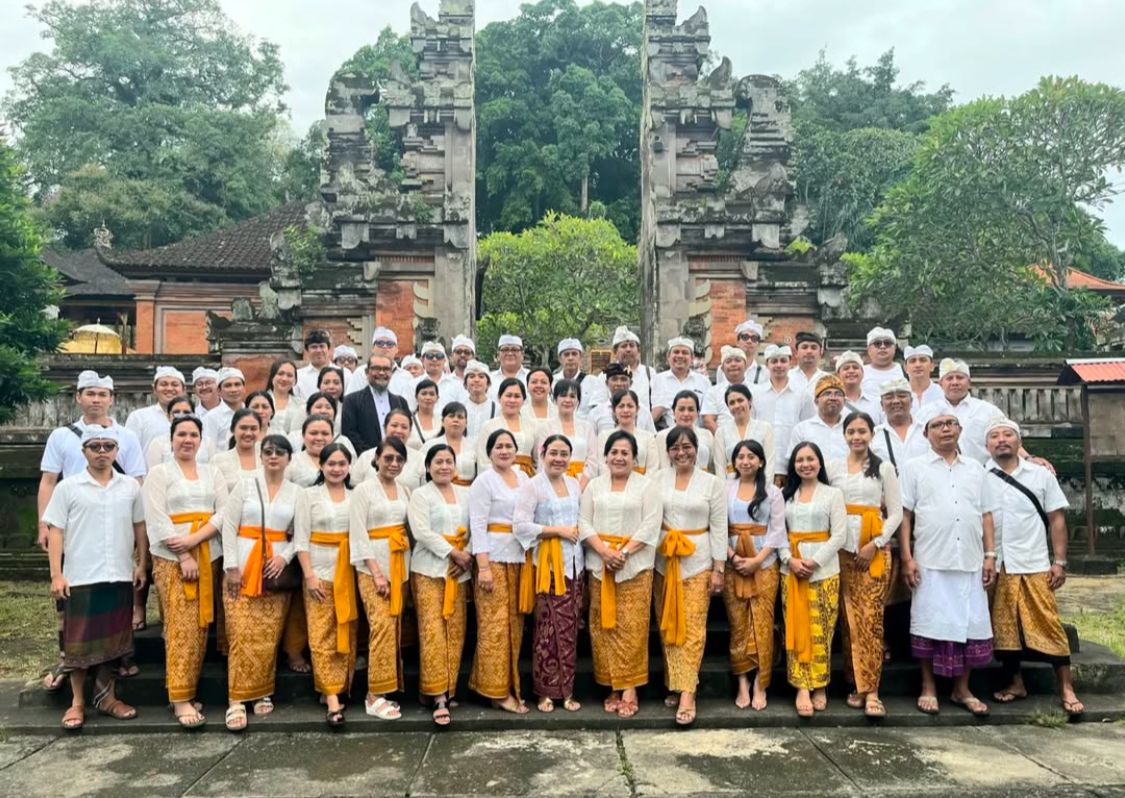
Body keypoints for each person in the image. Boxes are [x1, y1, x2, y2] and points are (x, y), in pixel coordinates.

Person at [38, 370, 147, 690]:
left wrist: (140, 552)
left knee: (115, 593)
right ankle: (67, 660)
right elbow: (47, 481)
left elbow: (137, 480)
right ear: (78, 397)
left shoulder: (126, 436)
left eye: (102, 394)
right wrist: (44, 524)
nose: (96, 400)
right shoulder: (61, 436)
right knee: (73, 594)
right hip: (73, 519)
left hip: (115, 519)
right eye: (90, 393)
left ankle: (118, 658)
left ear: (112, 399)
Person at [43, 426, 147, 731]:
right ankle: (77, 702)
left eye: (108, 446)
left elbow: (140, 526)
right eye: (95, 446)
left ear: (117, 451)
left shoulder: (130, 487)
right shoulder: (69, 487)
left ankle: (107, 698)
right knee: (79, 645)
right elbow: (55, 530)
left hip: (117, 575)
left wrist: (141, 565)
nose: (102, 451)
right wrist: (56, 574)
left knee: (113, 643)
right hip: (80, 577)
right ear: (84, 451)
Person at [900, 411, 997, 717]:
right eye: (938, 425)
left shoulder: (976, 469)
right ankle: (928, 687)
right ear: (927, 434)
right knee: (929, 623)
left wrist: (990, 556)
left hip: (969, 559)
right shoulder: (915, 468)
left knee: (971, 624)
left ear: (960, 430)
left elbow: (986, 514)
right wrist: (907, 557)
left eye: (950, 424)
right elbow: (904, 515)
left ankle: (962, 688)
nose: (945, 429)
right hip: (930, 560)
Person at [984, 419, 1082, 716]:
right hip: (998, 563)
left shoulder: (1041, 475)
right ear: (987, 445)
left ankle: (1066, 686)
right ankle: (1015, 682)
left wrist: (1060, 562)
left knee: (1048, 624)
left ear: (1019, 441)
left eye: (1008, 435)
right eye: (994, 436)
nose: (1001, 440)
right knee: (1005, 629)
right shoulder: (980, 476)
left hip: (1034, 562)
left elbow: (1057, 520)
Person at [142, 415, 228, 729]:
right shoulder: (159, 474)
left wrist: (194, 540)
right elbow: (157, 518)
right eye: (181, 434)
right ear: (171, 439)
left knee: (200, 627)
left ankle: (186, 689)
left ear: (201, 440)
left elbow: (223, 512)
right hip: (172, 558)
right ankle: (180, 698)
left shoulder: (212, 472)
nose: (187, 440)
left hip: (209, 553)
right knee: (181, 628)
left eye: (193, 434)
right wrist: (184, 554)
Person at [220, 434, 300, 732]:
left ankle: (261, 690)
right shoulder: (245, 484)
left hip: (275, 568)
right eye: (268, 451)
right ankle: (236, 699)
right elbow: (229, 525)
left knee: (268, 634)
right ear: (261, 455)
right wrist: (231, 566)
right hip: (243, 561)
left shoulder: (296, 493)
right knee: (241, 632)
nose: (274, 457)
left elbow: (300, 534)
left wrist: (285, 558)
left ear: (289, 458)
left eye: (280, 452)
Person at [579, 430, 661, 718]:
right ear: (606, 456)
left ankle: (630, 687)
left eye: (625, 453)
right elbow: (583, 521)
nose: (619, 457)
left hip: (634, 566)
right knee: (602, 626)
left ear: (634, 457)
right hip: (600, 565)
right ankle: (611, 684)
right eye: (614, 452)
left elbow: (651, 523)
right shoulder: (594, 487)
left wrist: (623, 552)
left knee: (633, 627)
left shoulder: (646, 486)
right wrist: (604, 552)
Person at [829, 412, 902, 719]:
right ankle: (854, 683)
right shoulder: (833, 468)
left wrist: (878, 542)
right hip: (841, 549)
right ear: (844, 435)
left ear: (872, 434)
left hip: (872, 548)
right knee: (848, 619)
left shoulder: (883, 468)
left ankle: (872, 689)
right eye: (851, 431)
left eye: (862, 431)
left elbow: (896, 512)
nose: (856, 437)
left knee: (870, 618)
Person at [652, 426, 726, 726]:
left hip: (699, 560)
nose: (681, 452)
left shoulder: (712, 483)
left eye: (687, 446)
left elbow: (720, 526)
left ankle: (687, 692)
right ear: (668, 452)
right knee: (668, 624)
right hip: (664, 561)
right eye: (675, 448)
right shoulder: (656, 480)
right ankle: (674, 681)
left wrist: (719, 568)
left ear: (697, 449)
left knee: (693, 629)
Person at [514, 434, 585, 713]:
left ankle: (566, 690)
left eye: (564, 453)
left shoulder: (574, 484)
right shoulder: (533, 486)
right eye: (553, 452)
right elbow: (520, 525)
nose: (558, 459)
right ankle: (545, 692)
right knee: (547, 629)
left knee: (568, 630)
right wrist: (556, 531)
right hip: (548, 565)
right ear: (542, 454)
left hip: (574, 564)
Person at [780, 441, 848, 717]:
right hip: (792, 571)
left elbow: (840, 534)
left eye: (810, 459)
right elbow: (777, 533)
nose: (805, 464)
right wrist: (789, 559)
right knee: (796, 630)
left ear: (820, 463)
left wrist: (814, 561)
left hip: (824, 571)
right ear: (793, 465)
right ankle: (801, 687)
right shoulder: (786, 495)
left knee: (822, 632)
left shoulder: (832, 495)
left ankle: (820, 683)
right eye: (800, 460)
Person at [407, 444, 473, 726]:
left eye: (449, 461)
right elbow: (421, 531)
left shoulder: (466, 494)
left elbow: (475, 526)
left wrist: (466, 552)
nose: (444, 466)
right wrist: (452, 552)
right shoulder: (420, 495)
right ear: (428, 466)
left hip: (458, 572)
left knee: (455, 631)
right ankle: (438, 695)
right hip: (429, 570)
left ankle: (450, 687)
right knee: (433, 631)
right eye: (438, 462)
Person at [294, 442, 357, 727]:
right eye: (331, 463)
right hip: (318, 570)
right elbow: (301, 538)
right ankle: (332, 697)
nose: (336, 469)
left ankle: (337, 686)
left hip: (348, 572)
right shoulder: (308, 496)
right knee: (321, 634)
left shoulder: (357, 496)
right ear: (321, 466)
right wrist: (309, 575)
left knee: (346, 630)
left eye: (342, 464)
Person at [468, 429, 531, 713]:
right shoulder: (484, 481)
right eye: (498, 446)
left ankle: (510, 683)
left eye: (508, 446)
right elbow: (478, 524)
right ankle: (495, 689)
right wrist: (482, 566)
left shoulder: (524, 478)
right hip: (492, 557)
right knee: (494, 625)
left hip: (519, 557)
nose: (504, 451)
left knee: (514, 625)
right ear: (490, 452)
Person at [350, 437, 412, 720]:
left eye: (399, 459)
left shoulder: (404, 490)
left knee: (393, 627)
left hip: (399, 564)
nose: (394, 464)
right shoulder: (363, 490)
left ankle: (387, 689)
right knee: (381, 626)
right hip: (373, 568)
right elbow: (358, 534)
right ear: (376, 458)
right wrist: (376, 573)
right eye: (388, 458)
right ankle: (373, 694)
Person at [722, 439, 785, 711]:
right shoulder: (724, 489)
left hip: (764, 563)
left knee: (761, 621)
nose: (746, 461)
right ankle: (742, 681)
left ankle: (761, 680)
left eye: (751, 456)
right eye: (741, 456)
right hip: (732, 561)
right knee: (738, 623)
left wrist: (758, 560)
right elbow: (717, 526)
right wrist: (734, 557)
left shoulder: (773, 492)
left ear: (761, 461)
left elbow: (777, 530)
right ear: (734, 461)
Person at [915, 359, 1010, 464]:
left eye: (960, 378)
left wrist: (1027, 458)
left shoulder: (988, 411)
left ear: (969, 382)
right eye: (949, 378)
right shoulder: (926, 412)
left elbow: (1008, 439)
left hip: (980, 473)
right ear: (940, 383)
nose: (955, 382)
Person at [751, 346, 805, 485]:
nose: (779, 365)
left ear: (790, 363)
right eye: (774, 361)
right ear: (767, 364)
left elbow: (807, 428)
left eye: (783, 361)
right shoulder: (756, 393)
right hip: (763, 463)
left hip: (794, 464)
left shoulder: (802, 394)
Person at [341, 353, 410, 456]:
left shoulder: (400, 402)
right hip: (365, 461)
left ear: (391, 373)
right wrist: (374, 456)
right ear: (367, 372)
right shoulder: (352, 401)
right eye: (376, 368)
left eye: (386, 369)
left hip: (396, 461)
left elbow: (406, 431)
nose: (382, 373)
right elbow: (350, 434)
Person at [870, 378, 930, 481]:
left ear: (911, 401)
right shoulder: (874, 436)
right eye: (889, 397)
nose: (896, 401)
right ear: (882, 405)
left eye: (902, 396)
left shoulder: (927, 432)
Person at [587, 389, 657, 478]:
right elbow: (603, 467)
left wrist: (639, 485)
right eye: (621, 406)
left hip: (642, 488)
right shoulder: (604, 436)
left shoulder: (648, 437)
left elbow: (653, 468)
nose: (625, 410)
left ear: (637, 409)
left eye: (630, 406)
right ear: (613, 410)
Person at [476, 378, 537, 478]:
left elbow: (538, 458)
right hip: (497, 480)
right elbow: (483, 461)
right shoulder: (489, 426)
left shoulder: (532, 426)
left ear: (524, 400)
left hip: (527, 479)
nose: (512, 400)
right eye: (508, 396)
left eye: (517, 396)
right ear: (499, 397)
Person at [535, 379, 592, 487]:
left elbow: (592, 460)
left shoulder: (587, 428)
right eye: (563, 395)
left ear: (578, 400)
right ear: (555, 399)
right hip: (552, 482)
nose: (568, 400)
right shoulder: (545, 428)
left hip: (582, 483)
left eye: (572, 396)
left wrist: (583, 483)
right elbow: (541, 456)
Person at [410, 402, 478, 488]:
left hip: (468, 493)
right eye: (451, 416)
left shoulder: (475, 446)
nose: (456, 420)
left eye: (460, 417)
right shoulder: (430, 445)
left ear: (466, 423)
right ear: (442, 422)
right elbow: (421, 473)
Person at [713, 384, 775, 477]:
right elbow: (720, 467)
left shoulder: (765, 428)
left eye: (740, 400)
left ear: (749, 401)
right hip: (731, 485)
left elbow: (769, 463)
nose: (737, 405)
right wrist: (724, 490)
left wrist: (763, 488)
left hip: (759, 483)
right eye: (732, 403)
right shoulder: (721, 432)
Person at [786, 374, 849, 465]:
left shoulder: (851, 429)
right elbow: (793, 462)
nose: (833, 398)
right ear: (816, 401)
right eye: (827, 393)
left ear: (845, 401)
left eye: (838, 394)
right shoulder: (802, 429)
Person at [648, 391, 715, 473]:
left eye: (691, 409)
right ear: (673, 412)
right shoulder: (661, 437)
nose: (686, 414)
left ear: (697, 413)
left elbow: (712, 466)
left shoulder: (706, 435)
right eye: (681, 409)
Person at [651, 337, 709, 428]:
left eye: (685, 353)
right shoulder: (657, 380)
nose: (680, 356)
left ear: (692, 357)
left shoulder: (703, 381)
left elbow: (707, 414)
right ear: (668, 356)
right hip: (668, 434)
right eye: (676, 352)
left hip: (697, 434)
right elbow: (653, 415)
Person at [126, 366, 188, 451]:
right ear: (154, 389)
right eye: (164, 384)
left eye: (175, 385)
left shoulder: (195, 417)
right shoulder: (138, 417)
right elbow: (129, 451)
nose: (169, 388)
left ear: (184, 390)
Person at [145, 395, 216, 468]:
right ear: (168, 416)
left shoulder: (207, 442)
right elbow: (154, 472)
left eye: (186, 412)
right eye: (176, 412)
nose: (181, 415)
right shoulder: (158, 443)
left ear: (194, 415)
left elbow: (212, 470)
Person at [588, 363, 656, 435]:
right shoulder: (596, 413)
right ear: (606, 383)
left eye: (623, 379)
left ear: (631, 383)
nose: (619, 383)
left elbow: (652, 438)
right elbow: (590, 442)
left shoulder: (643, 412)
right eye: (614, 379)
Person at [212, 406, 263, 493]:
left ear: (260, 430)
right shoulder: (218, 461)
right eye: (243, 428)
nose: (248, 433)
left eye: (253, 428)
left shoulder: (269, 459)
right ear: (233, 429)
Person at [605, 326, 654, 414]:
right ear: (615, 351)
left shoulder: (649, 373)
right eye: (623, 346)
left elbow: (657, 403)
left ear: (638, 350)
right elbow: (597, 405)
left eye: (632, 346)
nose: (628, 349)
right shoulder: (605, 374)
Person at [554, 338, 607, 420]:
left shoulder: (593, 382)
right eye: (566, 354)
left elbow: (597, 410)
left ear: (581, 357)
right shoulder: (552, 382)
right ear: (560, 359)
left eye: (574, 354)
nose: (570, 358)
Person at [702, 346, 752, 431]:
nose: (733, 364)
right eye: (728, 361)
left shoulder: (757, 390)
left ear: (746, 366)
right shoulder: (713, 392)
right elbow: (708, 420)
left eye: (737, 360)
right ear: (722, 368)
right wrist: (724, 438)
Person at [414, 341, 467, 413]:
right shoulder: (413, 384)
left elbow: (463, 410)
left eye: (439, 356)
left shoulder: (457, 385)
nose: (434, 359)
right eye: (430, 356)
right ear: (422, 360)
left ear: (444, 360)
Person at [201, 368, 247, 452]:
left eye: (237, 384)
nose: (233, 390)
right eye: (228, 385)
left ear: (244, 388)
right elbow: (208, 449)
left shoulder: (252, 413)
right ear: (218, 391)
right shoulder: (211, 417)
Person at [834, 351, 883, 423]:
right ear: (837, 374)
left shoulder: (877, 403)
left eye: (855, 367)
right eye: (846, 368)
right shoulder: (832, 403)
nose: (851, 371)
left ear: (863, 373)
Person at [861, 327, 906, 397]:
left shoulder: (905, 370)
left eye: (887, 343)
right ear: (868, 349)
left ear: (895, 348)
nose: (882, 347)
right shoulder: (859, 372)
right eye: (877, 343)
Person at [266, 359, 306, 436]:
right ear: (272, 377)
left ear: (295, 380)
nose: (284, 379)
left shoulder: (302, 404)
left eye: (289, 375)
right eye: (280, 374)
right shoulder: (259, 401)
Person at [462, 359, 499, 438]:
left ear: (488, 383)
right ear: (465, 384)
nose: (476, 380)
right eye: (471, 376)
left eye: (481, 376)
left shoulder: (498, 409)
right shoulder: (459, 408)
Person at [296, 329, 333, 400]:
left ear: (328, 349)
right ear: (307, 350)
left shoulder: (344, 374)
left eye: (322, 346)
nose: (318, 350)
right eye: (314, 347)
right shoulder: (298, 376)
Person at [904, 344, 944, 409]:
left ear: (932, 366)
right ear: (905, 368)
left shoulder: (942, 392)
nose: (918, 365)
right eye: (912, 361)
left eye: (923, 360)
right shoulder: (900, 394)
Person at [408, 379, 443, 451]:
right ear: (416, 397)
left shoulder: (442, 421)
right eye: (424, 393)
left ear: (437, 398)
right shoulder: (408, 421)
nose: (428, 397)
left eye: (432, 394)